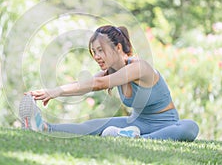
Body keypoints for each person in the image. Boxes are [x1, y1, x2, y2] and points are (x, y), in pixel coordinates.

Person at [19, 25, 199, 141]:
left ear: (118, 48)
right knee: (92, 125)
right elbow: (86, 85)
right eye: (94, 52)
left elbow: (99, 83)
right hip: (136, 123)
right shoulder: (110, 72)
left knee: (190, 126)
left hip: (167, 126)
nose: (96, 56)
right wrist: (51, 91)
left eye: (100, 50)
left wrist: (54, 91)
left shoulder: (140, 67)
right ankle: (43, 127)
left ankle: (139, 139)